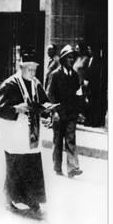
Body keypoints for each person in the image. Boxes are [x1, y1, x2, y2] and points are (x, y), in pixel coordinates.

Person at [0, 49, 53, 214]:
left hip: (32, 131)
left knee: (32, 165)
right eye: (29, 69)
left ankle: (32, 198)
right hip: (15, 131)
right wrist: (16, 108)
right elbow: (0, 110)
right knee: (15, 165)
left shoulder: (36, 84)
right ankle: (8, 198)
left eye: (35, 69)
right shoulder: (10, 84)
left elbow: (44, 101)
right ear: (21, 68)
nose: (33, 73)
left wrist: (49, 109)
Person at [47, 44, 84, 178]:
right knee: (58, 141)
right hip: (58, 113)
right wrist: (54, 112)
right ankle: (57, 167)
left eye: (73, 58)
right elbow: (50, 94)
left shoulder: (74, 76)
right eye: (68, 57)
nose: (71, 60)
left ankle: (72, 168)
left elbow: (78, 94)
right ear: (63, 59)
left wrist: (79, 111)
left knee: (71, 139)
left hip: (71, 114)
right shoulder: (55, 75)